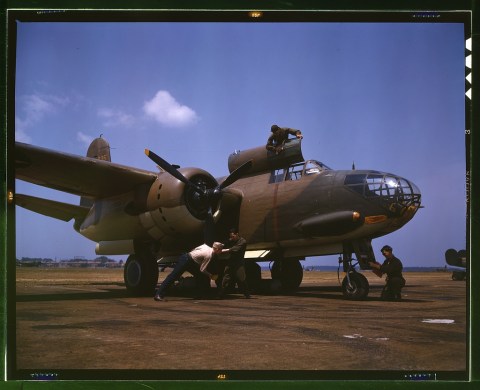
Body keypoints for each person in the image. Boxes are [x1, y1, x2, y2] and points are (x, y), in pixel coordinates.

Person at [154, 242, 224, 301]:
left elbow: (195, 249)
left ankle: (201, 294)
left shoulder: (206, 246)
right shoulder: (209, 255)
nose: (221, 252)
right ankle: (158, 294)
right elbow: (202, 270)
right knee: (173, 276)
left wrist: (230, 249)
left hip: (189, 258)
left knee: (200, 276)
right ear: (217, 249)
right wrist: (210, 275)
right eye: (220, 250)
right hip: (186, 261)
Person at [218, 228, 251, 299]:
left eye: (233, 236)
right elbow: (225, 242)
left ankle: (247, 294)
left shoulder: (243, 241)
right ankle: (221, 293)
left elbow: (233, 249)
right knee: (226, 277)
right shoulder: (232, 239)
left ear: (237, 234)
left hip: (239, 263)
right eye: (231, 237)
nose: (231, 238)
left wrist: (222, 251)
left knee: (241, 278)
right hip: (231, 262)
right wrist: (220, 245)